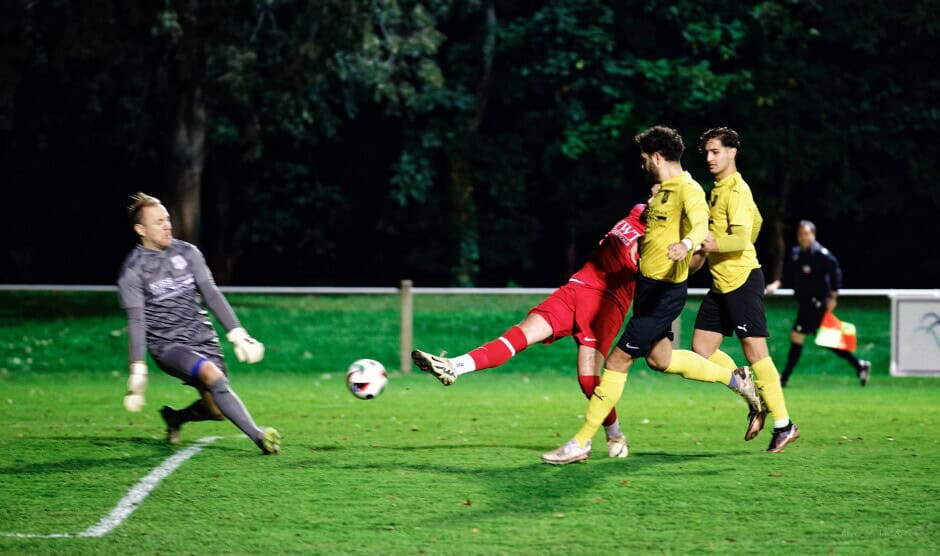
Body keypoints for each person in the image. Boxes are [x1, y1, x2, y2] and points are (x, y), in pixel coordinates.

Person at [541, 125, 763, 465]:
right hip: (646, 289)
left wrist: (686, 244)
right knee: (661, 360)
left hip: (664, 293)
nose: (643, 165)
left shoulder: (689, 189)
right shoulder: (662, 192)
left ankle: (582, 442)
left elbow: (701, 224)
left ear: (656, 156)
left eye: (645, 159)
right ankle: (737, 379)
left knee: (617, 361)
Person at [412, 201, 649, 459]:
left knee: (588, 381)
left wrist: (688, 246)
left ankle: (614, 435)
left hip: (606, 303)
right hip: (577, 288)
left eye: (661, 189)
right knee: (518, 335)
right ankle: (454, 366)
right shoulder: (638, 211)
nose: (655, 190)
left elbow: (665, 261)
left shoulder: (662, 233)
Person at [117, 192, 281, 454]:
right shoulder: (132, 271)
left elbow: (211, 294)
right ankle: (259, 436)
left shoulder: (188, 252)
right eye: (158, 221)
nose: (167, 225)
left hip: (203, 339)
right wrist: (138, 368)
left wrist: (238, 334)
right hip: (169, 347)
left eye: (167, 219)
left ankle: (176, 417)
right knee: (212, 376)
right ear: (141, 229)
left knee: (217, 410)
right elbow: (136, 320)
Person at [689, 126, 800, 453]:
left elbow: (741, 236)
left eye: (715, 151)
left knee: (756, 353)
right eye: (707, 153)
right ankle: (748, 390)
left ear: (732, 152)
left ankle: (784, 424)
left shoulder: (736, 190)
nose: (709, 158)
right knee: (701, 349)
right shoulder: (720, 188)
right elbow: (758, 222)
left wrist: (712, 243)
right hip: (722, 282)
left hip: (741, 280)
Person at [765, 220, 871, 387]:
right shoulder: (796, 253)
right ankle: (860, 366)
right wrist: (776, 284)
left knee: (797, 336)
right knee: (825, 339)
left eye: (806, 234)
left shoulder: (821, 254)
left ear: (813, 235)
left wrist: (833, 297)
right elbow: (789, 274)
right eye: (800, 234)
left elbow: (836, 271)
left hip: (816, 303)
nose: (803, 237)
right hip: (804, 302)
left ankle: (783, 378)